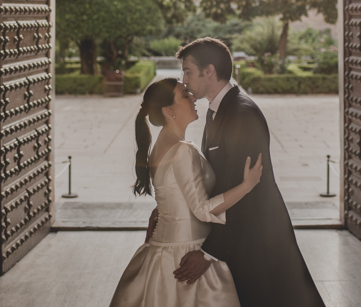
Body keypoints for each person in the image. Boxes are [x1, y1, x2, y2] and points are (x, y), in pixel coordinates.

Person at [174, 37, 325, 307]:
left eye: (187, 71)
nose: (183, 79)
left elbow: (246, 192)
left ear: (208, 71)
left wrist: (208, 252)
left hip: (258, 238)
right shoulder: (216, 110)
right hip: (239, 238)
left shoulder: (242, 114)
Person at [108, 78, 263, 307]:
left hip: (161, 251)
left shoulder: (161, 144)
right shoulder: (182, 150)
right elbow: (201, 210)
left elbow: (172, 194)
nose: (193, 98)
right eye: (185, 95)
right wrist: (247, 185)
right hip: (184, 256)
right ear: (169, 110)